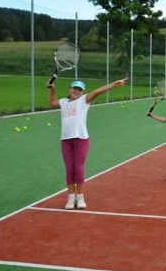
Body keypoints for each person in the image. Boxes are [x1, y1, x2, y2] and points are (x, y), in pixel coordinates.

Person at [48, 78, 128, 210]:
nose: (76, 91)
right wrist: (53, 89)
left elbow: (97, 91)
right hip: (66, 141)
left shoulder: (83, 101)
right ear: (70, 89)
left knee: (78, 168)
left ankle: (80, 197)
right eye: (74, 88)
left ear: (82, 92)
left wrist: (113, 85)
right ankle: (70, 197)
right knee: (69, 168)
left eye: (80, 89)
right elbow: (51, 101)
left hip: (81, 139)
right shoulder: (63, 102)